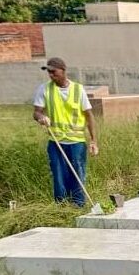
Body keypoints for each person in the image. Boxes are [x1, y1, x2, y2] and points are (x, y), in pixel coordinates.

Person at [32, 57, 99, 206]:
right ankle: (61, 207)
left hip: (76, 142)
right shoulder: (44, 89)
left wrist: (93, 141)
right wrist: (41, 117)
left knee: (78, 174)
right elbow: (36, 112)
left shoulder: (78, 89)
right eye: (48, 72)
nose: (50, 75)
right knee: (59, 176)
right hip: (56, 142)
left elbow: (89, 116)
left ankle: (78, 206)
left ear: (63, 70)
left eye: (53, 71)